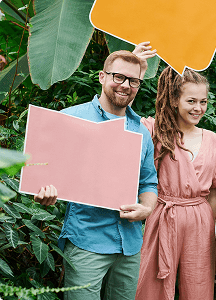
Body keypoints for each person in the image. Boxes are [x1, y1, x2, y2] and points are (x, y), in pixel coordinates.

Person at [34, 48, 159, 300]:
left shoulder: (141, 132)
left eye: (133, 81)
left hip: (130, 244)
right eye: (119, 77)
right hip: (87, 240)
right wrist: (43, 191)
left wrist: (146, 209)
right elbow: (41, 172)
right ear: (102, 76)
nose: (126, 85)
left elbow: (149, 182)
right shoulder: (70, 119)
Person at [134, 64, 216, 300]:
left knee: (198, 286)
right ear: (175, 100)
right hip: (162, 213)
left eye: (203, 102)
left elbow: (213, 195)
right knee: (150, 285)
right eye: (191, 101)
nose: (198, 108)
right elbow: (122, 119)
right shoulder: (155, 131)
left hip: (201, 219)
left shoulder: (213, 141)